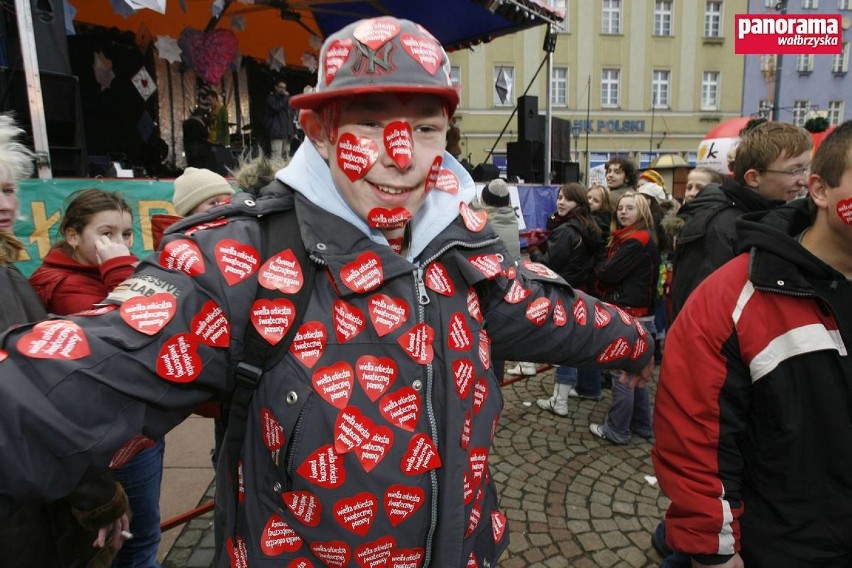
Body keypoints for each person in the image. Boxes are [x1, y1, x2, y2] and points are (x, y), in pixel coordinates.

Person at [0, 17, 653, 567]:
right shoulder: (241, 260)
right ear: (320, 131)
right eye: (370, 125)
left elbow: (537, 306)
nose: (401, 155)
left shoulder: (458, 245)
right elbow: (48, 395)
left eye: (425, 128)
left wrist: (641, 341)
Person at [653, 120, 852, 568]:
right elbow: (698, 412)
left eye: (804, 165)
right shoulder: (736, 277)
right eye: (792, 169)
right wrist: (713, 546)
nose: (798, 179)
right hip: (780, 540)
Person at [0, 115, 130, 568]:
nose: (5, 203)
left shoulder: (8, 274)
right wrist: (99, 496)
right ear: (73, 235)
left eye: (9, 189)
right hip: (26, 504)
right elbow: (34, 403)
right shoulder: (39, 283)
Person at [28, 189, 164, 568]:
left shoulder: (104, 270)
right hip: (111, 435)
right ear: (72, 236)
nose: (118, 244)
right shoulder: (60, 284)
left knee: (141, 530)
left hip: (134, 424)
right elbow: (135, 334)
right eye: (106, 234)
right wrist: (121, 268)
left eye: (125, 234)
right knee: (134, 541)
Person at [671, 121, 812, 319]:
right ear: (753, 177)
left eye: (806, 168)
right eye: (794, 170)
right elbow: (701, 315)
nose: (804, 180)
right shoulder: (719, 228)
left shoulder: (771, 216)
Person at [589, 191, 660, 444]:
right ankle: (642, 424)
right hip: (639, 311)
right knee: (636, 368)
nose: (622, 212)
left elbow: (608, 273)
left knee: (623, 371)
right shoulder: (633, 238)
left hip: (630, 312)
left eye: (629, 208)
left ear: (641, 212)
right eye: (620, 208)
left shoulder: (635, 240)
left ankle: (618, 429)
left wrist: (598, 269)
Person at [528, 183, 604, 414]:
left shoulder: (567, 231)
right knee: (585, 341)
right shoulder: (590, 226)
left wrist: (533, 247)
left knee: (565, 346)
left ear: (578, 203)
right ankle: (589, 388)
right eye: (560, 197)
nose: (561, 202)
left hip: (565, 292)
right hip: (583, 291)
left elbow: (548, 264)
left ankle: (559, 402)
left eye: (567, 199)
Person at [471, 177, 520, 380]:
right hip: (508, 287)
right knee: (498, 340)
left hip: (489, 289)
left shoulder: (485, 222)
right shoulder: (512, 219)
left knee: (486, 339)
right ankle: (496, 382)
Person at [266, 80, 295, 160]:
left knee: (286, 159)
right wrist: (286, 98)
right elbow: (276, 107)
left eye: (284, 88)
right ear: (276, 87)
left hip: (287, 134)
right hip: (277, 133)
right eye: (280, 87)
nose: (282, 89)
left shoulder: (286, 100)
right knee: (276, 158)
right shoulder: (271, 98)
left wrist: (293, 131)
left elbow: (290, 116)